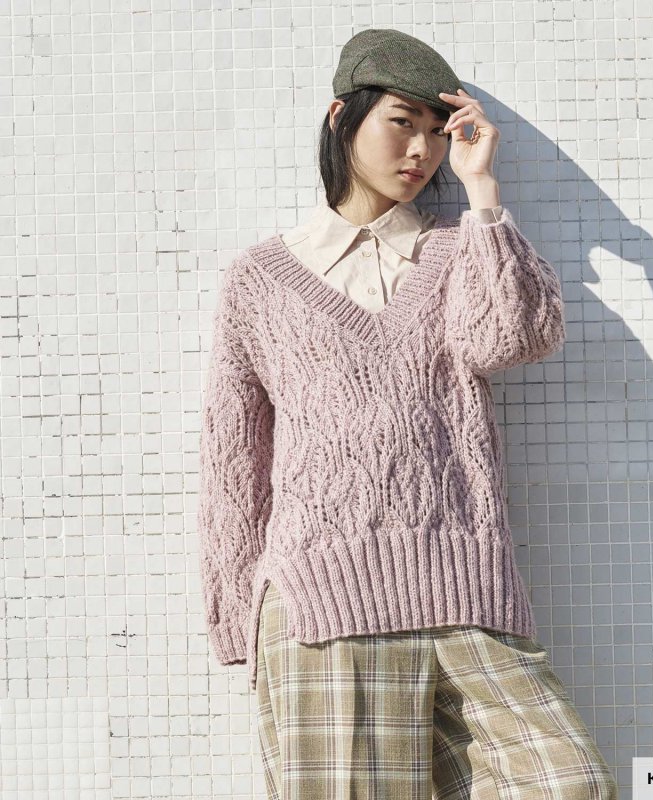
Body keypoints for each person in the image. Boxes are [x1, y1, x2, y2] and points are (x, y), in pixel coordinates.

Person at [197, 27, 619, 799]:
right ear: (341, 118)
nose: (421, 150)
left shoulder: (461, 250)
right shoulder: (260, 279)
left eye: (436, 130)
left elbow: (513, 338)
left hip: (465, 592)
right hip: (322, 603)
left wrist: (482, 189)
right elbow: (234, 458)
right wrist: (234, 614)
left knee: (569, 782)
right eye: (402, 122)